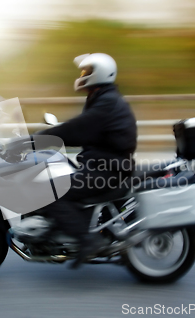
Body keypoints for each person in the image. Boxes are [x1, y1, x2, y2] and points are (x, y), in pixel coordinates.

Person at [36, 53, 138, 269]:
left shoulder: (106, 102)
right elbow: (83, 128)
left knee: (52, 192)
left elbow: (79, 128)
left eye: (87, 71)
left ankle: (87, 241)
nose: (83, 75)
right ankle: (63, 231)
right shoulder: (103, 99)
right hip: (106, 166)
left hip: (107, 171)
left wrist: (38, 138)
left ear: (99, 73)